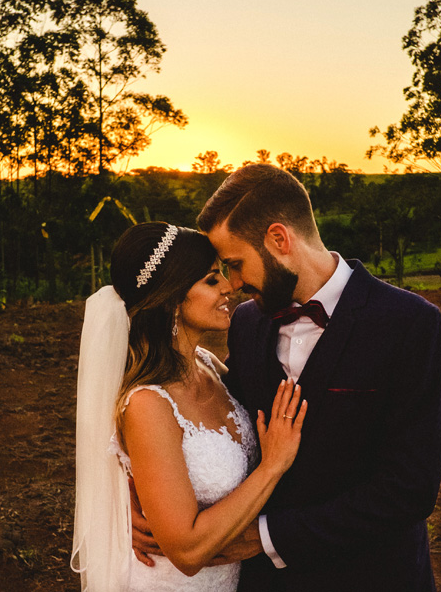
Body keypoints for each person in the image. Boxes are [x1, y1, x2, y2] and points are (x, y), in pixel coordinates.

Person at [133, 164, 441, 591]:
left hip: (372, 576)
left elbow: (409, 490)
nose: (234, 283)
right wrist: (143, 499)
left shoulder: (410, 324)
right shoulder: (247, 323)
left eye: (236, 264)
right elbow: (216, 428)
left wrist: (267, 536)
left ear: (279, 240)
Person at [71, 222, 308, 591]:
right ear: (171, 300)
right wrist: (272, 466)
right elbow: (187, 552)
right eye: (212, 280)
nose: (230, 286)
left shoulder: (211, 367)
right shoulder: (149, 403)